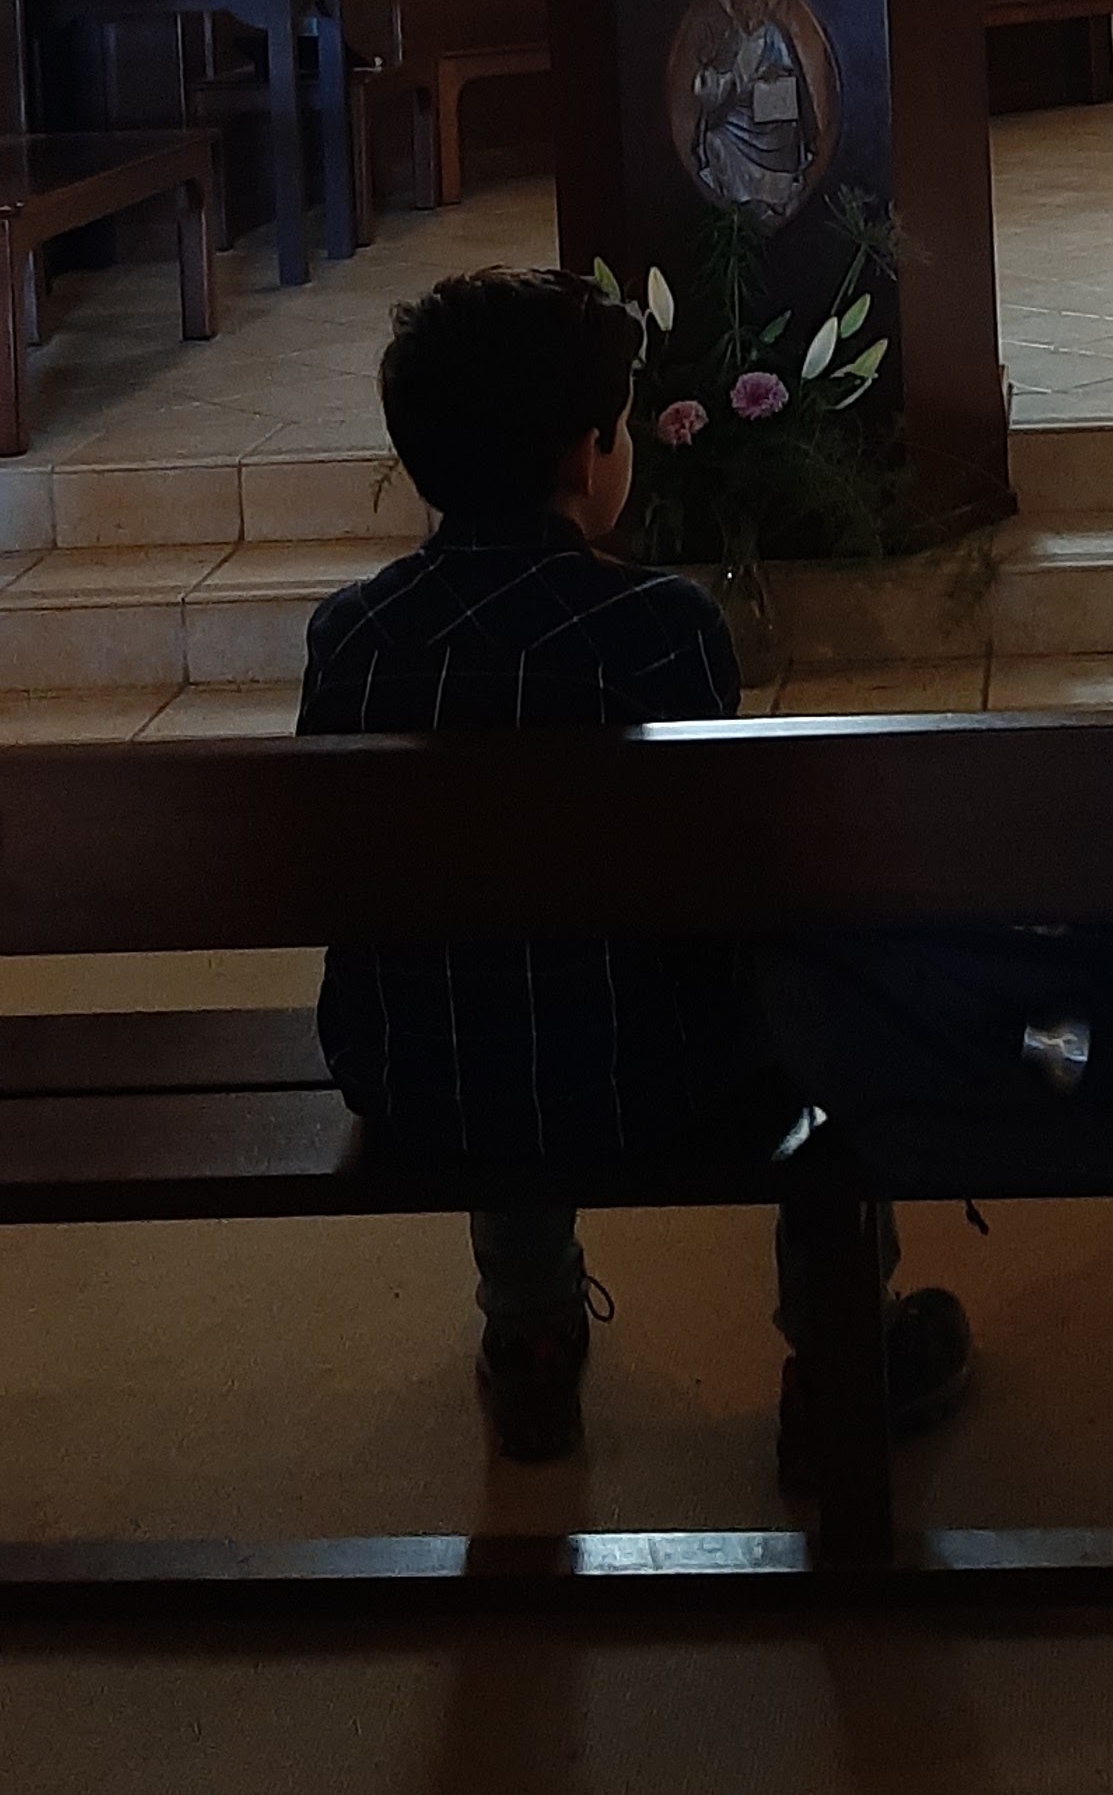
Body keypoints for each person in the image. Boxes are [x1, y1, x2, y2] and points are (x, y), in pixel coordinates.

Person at [297, 267, 970, 1467]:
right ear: (588, 455)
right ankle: (841, 1354)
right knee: (805, 988)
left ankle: (530, 1332)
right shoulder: (659, 630)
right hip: (649, 1076)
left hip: (411, 1070)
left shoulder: (353, 638)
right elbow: (728, 876)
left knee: (487, 964)